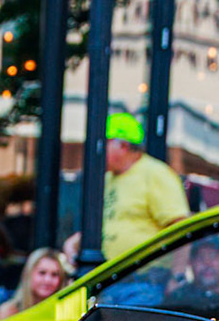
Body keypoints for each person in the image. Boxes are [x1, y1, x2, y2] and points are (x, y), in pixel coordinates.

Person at [63, 112, 190, 262]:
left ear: (123, 146)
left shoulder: (155, 173)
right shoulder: (108, 178)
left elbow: (180, 227)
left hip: (144, 277)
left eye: (104, 144)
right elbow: (111, 224)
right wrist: (74, 243)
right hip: (110, 275)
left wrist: (177, 275)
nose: (98, 150)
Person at [0, 248, 68, 320]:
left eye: (54, 274)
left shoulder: (65, 314)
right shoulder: (8, 312)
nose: (48, 280)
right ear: (28, 274)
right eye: (42, 273)